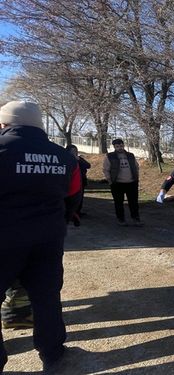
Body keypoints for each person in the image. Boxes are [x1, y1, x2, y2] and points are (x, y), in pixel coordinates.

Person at [0, 101, 82, 372]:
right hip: (48, 237)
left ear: (5, 123)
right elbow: (73, 196)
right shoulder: (65, 157)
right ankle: (52, 352)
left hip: (5, 238)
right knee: (47, 297)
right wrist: (60, 220)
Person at [102, 138, 142, 226]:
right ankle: (121, 219)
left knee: (133, 202)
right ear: (114, 147)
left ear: (123, 145)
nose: (120, 148)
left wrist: (136, 178)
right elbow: (106, 169)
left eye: (121, 145)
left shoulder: (130, 155)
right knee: (118, 202)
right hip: (117, 183)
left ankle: (136, 218)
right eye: (117, 146)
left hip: (131, 182)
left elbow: (136, 167)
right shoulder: (110, 156)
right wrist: (110, 181)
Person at [66, 144, 91, 218]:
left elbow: (88, 165)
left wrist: (79, 159)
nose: (75, 152)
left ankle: (77, 212)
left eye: (76, 151)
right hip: (69, 181)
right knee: (69, 198)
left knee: (79, 198)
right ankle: (69, 212)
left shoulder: (79, 158)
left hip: (81, 181)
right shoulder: (65, 158)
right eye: (73, 151)